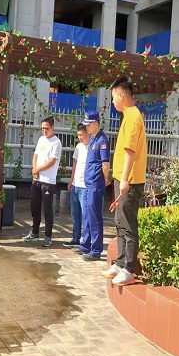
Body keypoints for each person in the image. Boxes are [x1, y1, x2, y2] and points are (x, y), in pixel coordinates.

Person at [101, 77, 147, 285]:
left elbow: (130, 151)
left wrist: (125, 179)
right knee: (120, 223)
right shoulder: (128, 116)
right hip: (122, 178)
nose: (112, 101)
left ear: (121, 96)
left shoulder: (133, 117)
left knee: (128, 225)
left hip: (129, 181)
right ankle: (120, 263)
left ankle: (129, 269)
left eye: (113, 97)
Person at [74, 111, 110, 261]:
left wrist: (105, 179)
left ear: (96, 124)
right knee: (87, 217)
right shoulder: (93, 140)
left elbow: (105, 164)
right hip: (88, 184)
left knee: (95, 218)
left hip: (95, 184)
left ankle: (95, 250)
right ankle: (85, 245)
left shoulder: (102, 140)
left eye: (89, 125)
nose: (87, 128)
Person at [23, 116, 62, 247]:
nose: (44, 131)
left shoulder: (56, 143)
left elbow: (51, 161)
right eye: (42, 128)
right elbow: (36, 155)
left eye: (47, 128)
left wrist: (38, 169)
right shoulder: (41, 139)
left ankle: (48, 236)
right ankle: (34, 232)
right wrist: (34, 169)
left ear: (52, 127)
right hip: (37, 179)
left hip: (48, 181)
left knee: (47, 209)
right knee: (34, 206)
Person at [63, 123, 89, 248]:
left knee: (85, 214)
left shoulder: (92, 147)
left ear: (87, 133)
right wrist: (71, 180)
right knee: (75, 214)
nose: (80, 138)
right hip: (75, 184)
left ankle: (86, 240)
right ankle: (75, 238)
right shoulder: (78, 147)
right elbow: (75, 165)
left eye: (81, 135)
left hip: (85, 186)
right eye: (78, 135)